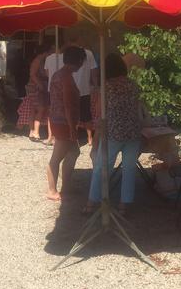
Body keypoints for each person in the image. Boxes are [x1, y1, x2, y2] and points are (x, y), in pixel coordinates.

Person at [87, 54, 145, 214]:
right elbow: (138, 108)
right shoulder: (133, 85)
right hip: (133, 132)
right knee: (129, 169)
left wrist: (96, 136)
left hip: (113, 133)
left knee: (101, 167)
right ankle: (124, 205)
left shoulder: (106, 87)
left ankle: (92, 203)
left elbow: (100, 113)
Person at [46, 46, 86, 202]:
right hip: (64, 122)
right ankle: (52, 190)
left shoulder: (58, 75)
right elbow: (68, 105)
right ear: (78, 62)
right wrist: (72, 128)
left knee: (74, 152)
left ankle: (66, 185)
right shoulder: (67, 79)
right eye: (82, 61)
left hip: (58, 119)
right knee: (56, 158)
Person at [25, 43, 51, 142]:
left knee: (35, 109)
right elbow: (33, 74)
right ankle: (35, 131)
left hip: (36, 86)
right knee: (40, 108)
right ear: (45, 52)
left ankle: (32, 131)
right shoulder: (38, 60)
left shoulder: (41, 60)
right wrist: (40, 84)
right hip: (35, 87)